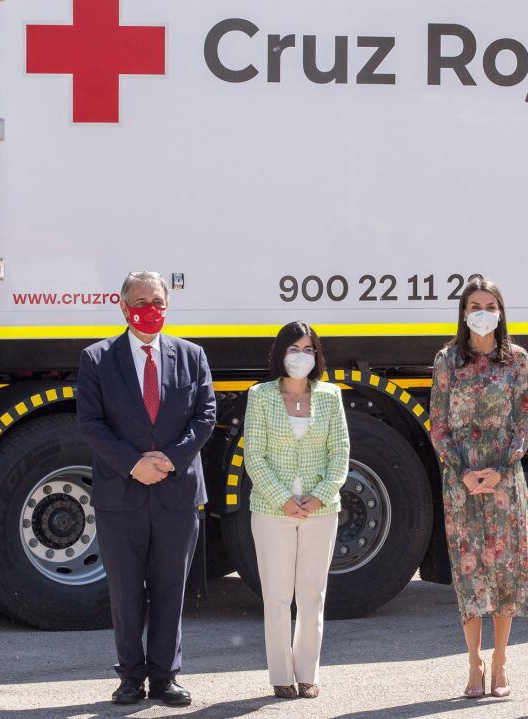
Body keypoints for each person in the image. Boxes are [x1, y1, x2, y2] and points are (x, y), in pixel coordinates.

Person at [76, 271, 216, 706]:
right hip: (122, 493)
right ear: (122, 306)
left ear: (168, 306)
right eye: (140, 301)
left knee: (170, 588)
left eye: (157, 301)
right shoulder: (97, 359)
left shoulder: (192, 356)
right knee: (125, 590)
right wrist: (133, 464)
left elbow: (205, 415)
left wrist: (170, 460)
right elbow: (91, 423)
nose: (149, 309)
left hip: (177, 493)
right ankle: (131, 677)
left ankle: (165, 677)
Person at [429, 278, 528, 700]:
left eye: (490, 304)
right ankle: (472, 663)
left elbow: (524, 422)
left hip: (503, 477)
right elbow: (438, 424)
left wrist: (500, 469)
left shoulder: (517, 359)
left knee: (503, 571)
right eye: (475, 304)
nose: (482, 311)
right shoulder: (447, 360)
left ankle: (499, 660)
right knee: (469, 570)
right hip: (460, 480)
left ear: (500, 311)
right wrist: (461, 470)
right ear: (464, 312)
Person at [243, 322, 350, 700]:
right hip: (272, 511)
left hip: (322, 511)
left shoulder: (331, 396)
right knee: (275, 595)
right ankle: (281, 675)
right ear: (280, 354)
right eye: (293, 349)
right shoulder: (260, 396)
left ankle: (308, 673)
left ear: (317, 356)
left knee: (311, 595)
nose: (300, 356)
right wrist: (282, 500)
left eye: (308, 349)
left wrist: (320, 495)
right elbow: (254, 455)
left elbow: (340, 454)